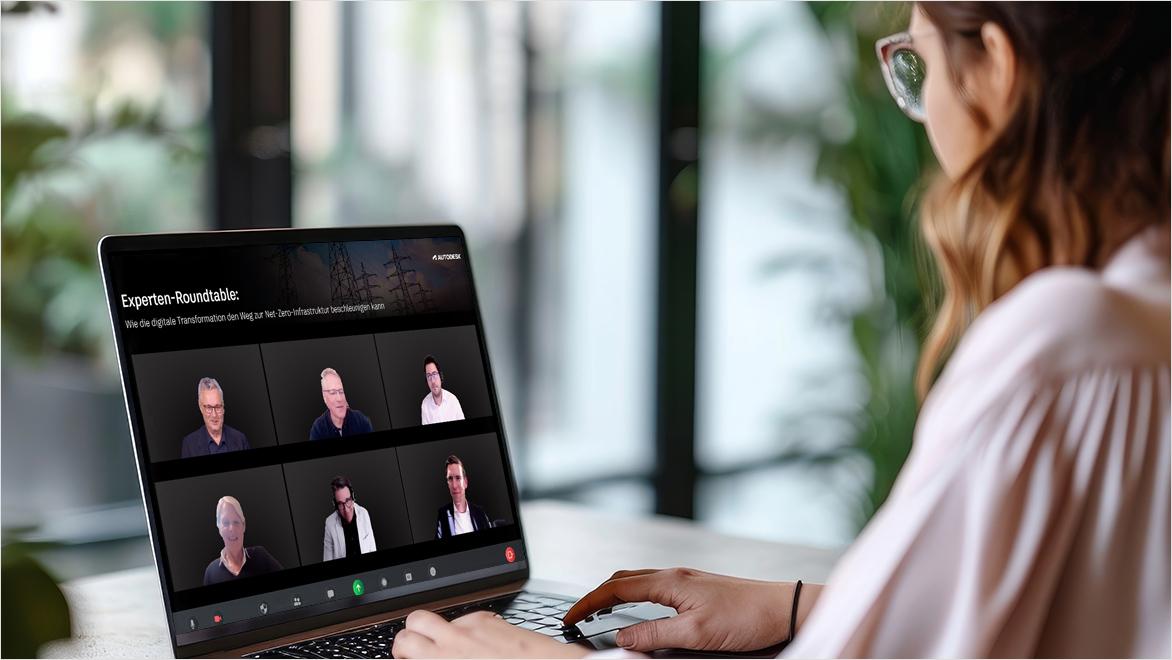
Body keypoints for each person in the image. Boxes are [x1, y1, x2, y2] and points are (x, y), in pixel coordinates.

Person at [390, 3, 1170, 658]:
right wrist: (800, 608)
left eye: (918, 67)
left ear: (996, 66)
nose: (923, 109)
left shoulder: (1063, 344)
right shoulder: (1139, 322)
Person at [203, 496, 283, 586]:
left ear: (243, 526)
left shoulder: (261, 556)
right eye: (226, 523)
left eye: (236, 522)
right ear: (219, 529)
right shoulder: (211, 572)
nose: (231, 528)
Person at [180, 378, 251, 458]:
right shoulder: (189, 444)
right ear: (201, 408)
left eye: (218, 407)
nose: (214, 415)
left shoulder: (240, 439)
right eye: (209, 408)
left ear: (223, 407)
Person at [323, 476, 378, 561]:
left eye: (348, 500)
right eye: (340, 504)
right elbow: (327, 560)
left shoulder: (364, 514)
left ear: (352, 497)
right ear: (335, 504)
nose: (346, 509)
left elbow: (372, 548)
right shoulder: (330, 523)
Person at [435, 455, 491, 538]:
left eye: (458, 478)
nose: (454, 485)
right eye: (450, 479)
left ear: (465, 482)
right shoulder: (443, 514)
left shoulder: (480, 513)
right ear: (448, 484)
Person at [310, 367, 374, 440]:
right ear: (324, 397)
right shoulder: (318, 429)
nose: (339, 399)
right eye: (333, 392)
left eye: (341, 391)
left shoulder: (361, 421)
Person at [420, 355, 465, 425]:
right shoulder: (425, 404)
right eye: (429, 376)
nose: (433, 381)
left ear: (440, 376)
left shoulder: (453, 400)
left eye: (434, 374)